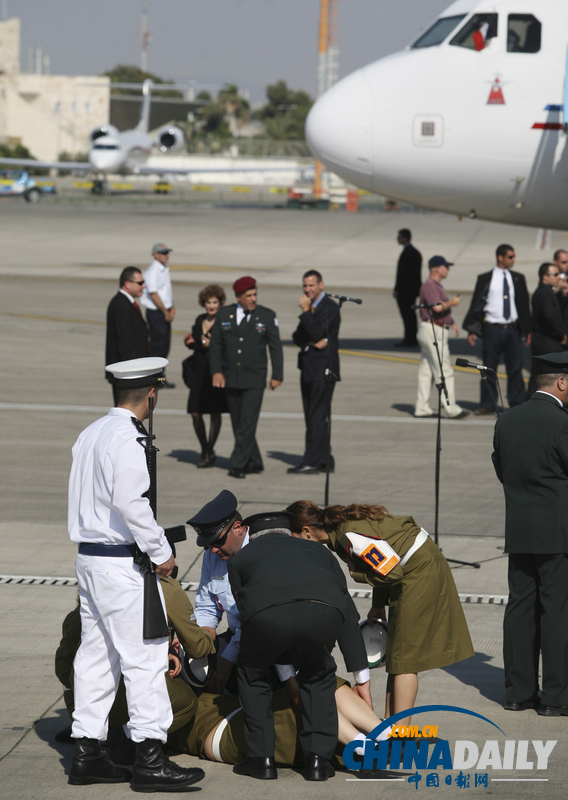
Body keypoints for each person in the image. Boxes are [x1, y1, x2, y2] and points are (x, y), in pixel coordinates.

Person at [67, 356, 204, 791]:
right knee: (145, 658)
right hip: (121, 564)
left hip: (89, 559)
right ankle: (150, 757)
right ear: (151, 394)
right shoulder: (127, 439)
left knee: (95, 657)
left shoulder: (90, 433)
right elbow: (132, 503)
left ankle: (88, 752)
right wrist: (162, 551)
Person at [286, 501, 474, 729]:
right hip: (412, 567)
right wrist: (378, 604)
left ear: (306, 532)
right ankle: (388, 725)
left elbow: (392, 572)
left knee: (405, 660)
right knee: (396, 654)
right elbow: (385, 560)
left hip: (420, 571)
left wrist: (358, 575)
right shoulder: (338, 532)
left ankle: (400, 734)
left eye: (293, 537)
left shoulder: (348, 537)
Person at [227, 511, 370, 782]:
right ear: (288, 532)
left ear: (251, 536)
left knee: (253, 674)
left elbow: (248, 614)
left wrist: (281, 665)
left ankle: (261, 761)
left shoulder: (240, 559)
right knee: (318, 673)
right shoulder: (320, 552)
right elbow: (348, 612)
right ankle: (318, 761)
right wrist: (360, 676)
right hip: (323, 614)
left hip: (267, 618)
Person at [55, 574, 216, 760]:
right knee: (186, 702)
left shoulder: (84, 608)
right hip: (119, 696)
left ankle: (99, 732)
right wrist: (208, 635)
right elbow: (197, 648)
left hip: (85, 705)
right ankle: (133, 738)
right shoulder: (163, 588)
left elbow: (63, 666)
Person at [492, 352, 568, 716]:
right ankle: (556, 696)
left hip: (519, 529)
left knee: (520, 608)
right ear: (561, 382)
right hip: (558, 533)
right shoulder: (561, 422)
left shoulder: (508, 419)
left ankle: (518, 692)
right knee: (557, 611)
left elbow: (502, 468)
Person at [168, 678, 387, 768]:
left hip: (234, 721)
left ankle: (379, 734)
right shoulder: (164, 696)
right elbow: (197, 644)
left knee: (319, 685)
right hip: (225, 729)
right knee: (312, 686)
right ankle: (372, 741)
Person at [209, 276, 283, 478]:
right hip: (230, 377)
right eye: (248, 295)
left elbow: (275, 347)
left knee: (247, 423)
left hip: (254, 379)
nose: (253, 299)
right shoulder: (224, 314)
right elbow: (215, 345)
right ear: (238, 297)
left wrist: (277, 375)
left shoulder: (266, 316)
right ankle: (254, 461)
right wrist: (216, 371)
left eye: (255, 295)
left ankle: (238, 465)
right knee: (238, 422)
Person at [188, 490, 249, 696]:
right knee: (192, 669)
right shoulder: (212, 557)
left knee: (241, 679)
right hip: (237, 635)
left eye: (217, 541)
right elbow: (207, 606)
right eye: (208, 545)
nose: (213, 550)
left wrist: (226, 661)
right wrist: (204, 632)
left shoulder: (258, 553)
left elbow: (251, 621)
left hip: (261, 636)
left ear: (238, 528)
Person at [463, 243, 531, 415]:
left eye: (514, 256)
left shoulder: (518, 278)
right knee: (488, 368)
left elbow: (523, 306)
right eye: (510, 257)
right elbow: (477, 304)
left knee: (515, 368)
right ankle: (488, 403)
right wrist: (472, 329)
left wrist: (527, 330)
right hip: (492, 329)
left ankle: (517, 403)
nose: (513, 260)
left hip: (513, 330)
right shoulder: (485, 278)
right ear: (500, 258)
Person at [289, 270, 340, 474]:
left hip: (323, 369)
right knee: (313, 415)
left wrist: (306, 312)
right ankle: (325, 458)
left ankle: (311, 460)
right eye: (305, 286)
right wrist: (311, 340)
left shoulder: (330, 308)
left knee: (317, 416)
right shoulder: (310, 308)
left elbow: (318, 332)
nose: (307, 289)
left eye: (311, 285)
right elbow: (297, 336)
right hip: (309, 367)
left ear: (321, 285)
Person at [414, 256, 469, 419]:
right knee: (444, 369)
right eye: (446, 266)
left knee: (427, 370)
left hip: (431, 328)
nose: (448, 269)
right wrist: (452, 302)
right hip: (433, 330)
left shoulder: (434, 285)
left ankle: (421, 406)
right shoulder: (430, 285)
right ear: (437, 268)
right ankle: (451, 408)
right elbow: (437, 307)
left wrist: (451, 322)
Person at [183, 284, 228, 468]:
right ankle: (204, 448)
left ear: (220, 303)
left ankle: (209, 450)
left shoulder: (224, 321)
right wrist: (194, 343)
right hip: (199, 372)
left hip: (216, 371)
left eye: (215, 302)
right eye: (208, 302)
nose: (211, 306)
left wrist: (203, 342)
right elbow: (199, 342)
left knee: (215, 412)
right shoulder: (199, 319)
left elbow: (222, 345)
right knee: (195, 412)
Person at [105, 267, 149, 405]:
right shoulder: (121, 306)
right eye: (140, 283)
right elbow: (125, 344)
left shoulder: (126, 303)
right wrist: (134, 376)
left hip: (129, 373)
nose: (144, 286)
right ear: (127, 284)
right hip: (127, 375)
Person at [527, 262, 566, 397]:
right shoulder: (546, 294)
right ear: (545, 276)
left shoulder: (543, 292)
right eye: (555, 274)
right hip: (547, 343)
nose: (558, 277)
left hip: (541, 342)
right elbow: (551, 316)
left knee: (539, 377)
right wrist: (563, 334)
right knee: (544, 377)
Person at [141, 242, 176, 387]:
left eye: (167, 253)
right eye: (163, 253)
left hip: (165, 311)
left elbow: (166, 292)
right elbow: (154, 295)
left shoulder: (163, 269)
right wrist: (166, 312)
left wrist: (172, 309)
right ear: (156, 255)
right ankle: (154, 380)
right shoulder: (153, 271)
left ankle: (160, 379)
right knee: (157, 348)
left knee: (165, 347)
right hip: (157, 313)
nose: (167, 255)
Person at [393, 228, 422, 347]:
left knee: (407, 315)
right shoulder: (415, 252)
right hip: (412, 290)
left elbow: (403, 275)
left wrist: (397, 289)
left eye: (399, 237)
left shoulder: (408, 253)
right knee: (410, 315)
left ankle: (409, 338)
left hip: (406, 291)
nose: (397, 239)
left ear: (405, 238)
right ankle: (411, 337)